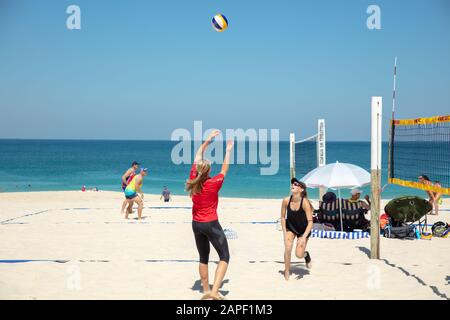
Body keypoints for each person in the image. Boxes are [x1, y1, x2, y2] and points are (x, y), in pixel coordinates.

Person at [186, 130, 234, 300]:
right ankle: (214, 292)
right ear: (207, 171)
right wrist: (228, 150)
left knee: (203, 257)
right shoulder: (213, 183)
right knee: (225, 256)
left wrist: (208, 140)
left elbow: (198, 154)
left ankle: (206, 290)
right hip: (211, 223)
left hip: (196, 224)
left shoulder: (193, 178)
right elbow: (225, 169)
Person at [280, 178, 314, 281]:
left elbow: (310, 222)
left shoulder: (305, 203)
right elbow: (282, 217)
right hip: (291, 228)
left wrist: (303, 237)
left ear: (301, 189)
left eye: (296, 184)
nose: (293, 185)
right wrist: (285, 234)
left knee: (298, 255)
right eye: (292, 184)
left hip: (303, 231)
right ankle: (287, 271)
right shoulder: (286, 200)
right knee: (288, 247)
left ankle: (306, 255)